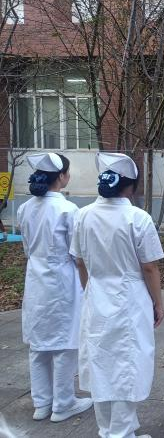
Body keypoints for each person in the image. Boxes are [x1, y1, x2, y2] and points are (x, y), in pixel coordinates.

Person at [70, 153, 164, 438]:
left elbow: (80, 262)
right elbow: (149, 267)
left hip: (97, 292)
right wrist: (158, 303)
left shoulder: (83, 215)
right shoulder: (137, 218)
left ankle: (109, 429)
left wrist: (90, 290)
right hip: (129, 296)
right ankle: (120, 433)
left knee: (101, 361)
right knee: (127, 363)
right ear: (131, 186)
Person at [17, 153, 93, 422]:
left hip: (36, 279)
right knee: (65, 343)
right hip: (63, 279)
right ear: (61, 176)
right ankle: (63, 403)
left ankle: (42, 403)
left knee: (38, 344)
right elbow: (77, 253)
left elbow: (27, 248)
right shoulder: (68, 210)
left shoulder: (24, 208)